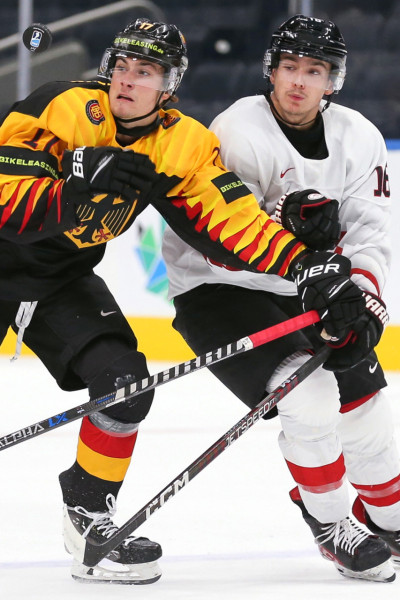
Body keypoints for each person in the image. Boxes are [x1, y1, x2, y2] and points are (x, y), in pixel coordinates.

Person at [0, 17, 370, 584]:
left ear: (168, 85)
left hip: (59, 278)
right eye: (120, 67)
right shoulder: (63, 107)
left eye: (144, 71)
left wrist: (306, 266)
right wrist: (73, 184)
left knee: (125, 384)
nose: (126, 80)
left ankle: (88, 520)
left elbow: (232, 221)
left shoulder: (184, 144)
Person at [162, 14, 400, 583]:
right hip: (218, 289)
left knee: (368, 406)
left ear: (332, 81)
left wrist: (361, 296)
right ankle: (331, 523)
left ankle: (387, 519)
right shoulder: (237, 131)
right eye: (289, 67)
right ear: (272, 70)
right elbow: (221, 238)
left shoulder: (359, 136)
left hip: (312, 288)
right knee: (309, 395)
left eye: (313, 70)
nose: (298, 81)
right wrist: (294, 240)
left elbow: (372, 230)